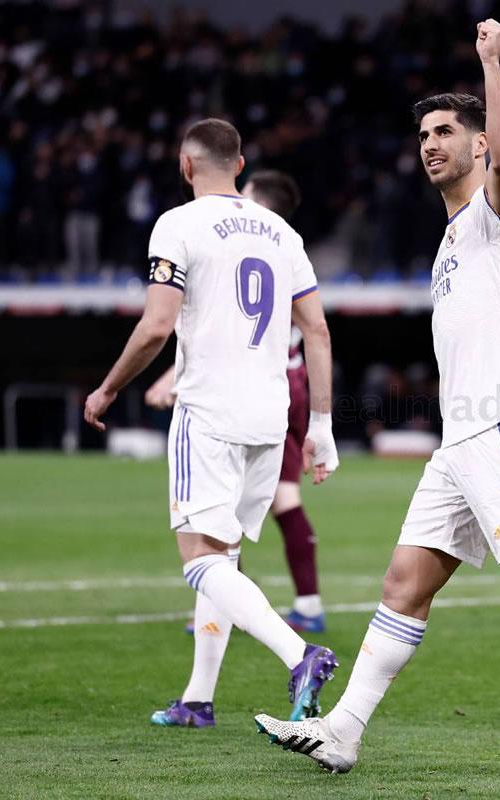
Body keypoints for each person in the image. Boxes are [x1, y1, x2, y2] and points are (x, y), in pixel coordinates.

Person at [253, 20, 500, 782]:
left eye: (446, 131)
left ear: (474, 145)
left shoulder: (495, 217)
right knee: (404, 582)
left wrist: (490, 63)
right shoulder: (448, 241)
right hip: (461, 440)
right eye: (424, 134)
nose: (430, 143)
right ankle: (341, 731)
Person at [83, 119, 342, 729]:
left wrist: (108, 388)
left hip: (210, 410)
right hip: (271, 415)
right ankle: (198, 699)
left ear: (185, 165)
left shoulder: (178, 224)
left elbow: (154, 327)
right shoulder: (283, 231)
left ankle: (299, 653)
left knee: (199, 560)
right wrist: (322, 428)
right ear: (242, 162)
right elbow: (319, 331)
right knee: (222, 559)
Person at [146, 169, 326, 633]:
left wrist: (171, 377)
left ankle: (276, 616)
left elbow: (221, 334)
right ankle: (279, 604)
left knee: (231, 510)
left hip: (255, 386)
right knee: (258, 504)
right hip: (281, 387)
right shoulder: (286, 244)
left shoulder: (249, 242)